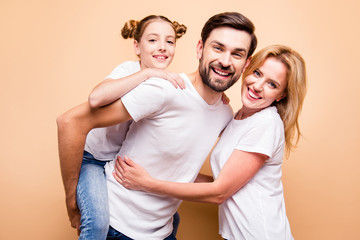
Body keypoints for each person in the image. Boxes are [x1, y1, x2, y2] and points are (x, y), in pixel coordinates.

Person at [57, 12, 258, 240]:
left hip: (163, 232)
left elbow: (182, 169)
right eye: (218, 48)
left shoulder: (224, 113)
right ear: (200, 48)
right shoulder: (163, 89)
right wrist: (72, 203)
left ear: (246, 63)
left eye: (237, 54)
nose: (225, 61)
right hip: (117, 227)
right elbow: (71, 122)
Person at [113, 45, 307, 240]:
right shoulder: (237, 117)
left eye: (272, 84)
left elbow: (219, 192)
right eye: (257, 73)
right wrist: (158, 169)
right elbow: (222, 182)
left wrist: (148, 183)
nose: (257, 86)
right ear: (247, 69)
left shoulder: (266, 123)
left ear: (281, 95)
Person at [58, 15, 187, 240]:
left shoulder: (166, 82)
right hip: (94, 160)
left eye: (170, 41)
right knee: (97, 224)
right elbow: (96, 98)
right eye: (153, 40)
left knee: (168, 217)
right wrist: (146, 73)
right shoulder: (129, 70)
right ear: (137, 46)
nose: (163, 48)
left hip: (120, 160)